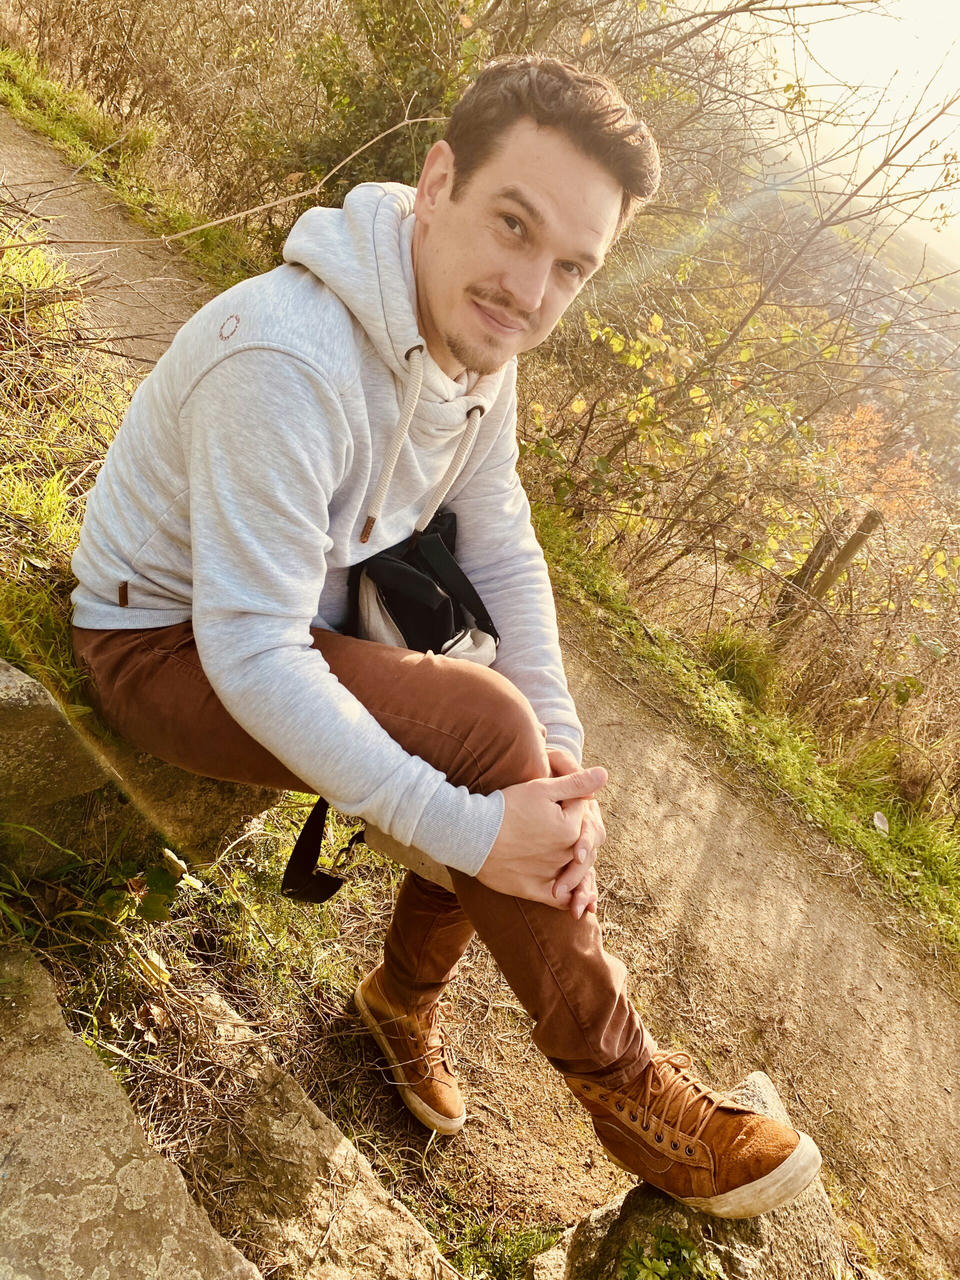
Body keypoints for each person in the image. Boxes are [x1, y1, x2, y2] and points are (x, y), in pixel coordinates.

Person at [69, 55, 822, 1218]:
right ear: (436, 184)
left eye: (572, 265)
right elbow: (254, 654)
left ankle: (400, 998)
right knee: (484, 732)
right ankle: (625, 1086)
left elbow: (502, 529)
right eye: (513, 227)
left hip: (301, 605)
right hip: (165, 638)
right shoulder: (290, 356)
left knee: (517, 733)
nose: (530, 289)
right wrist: (473, 819)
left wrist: (561, 754)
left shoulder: (477, 339)